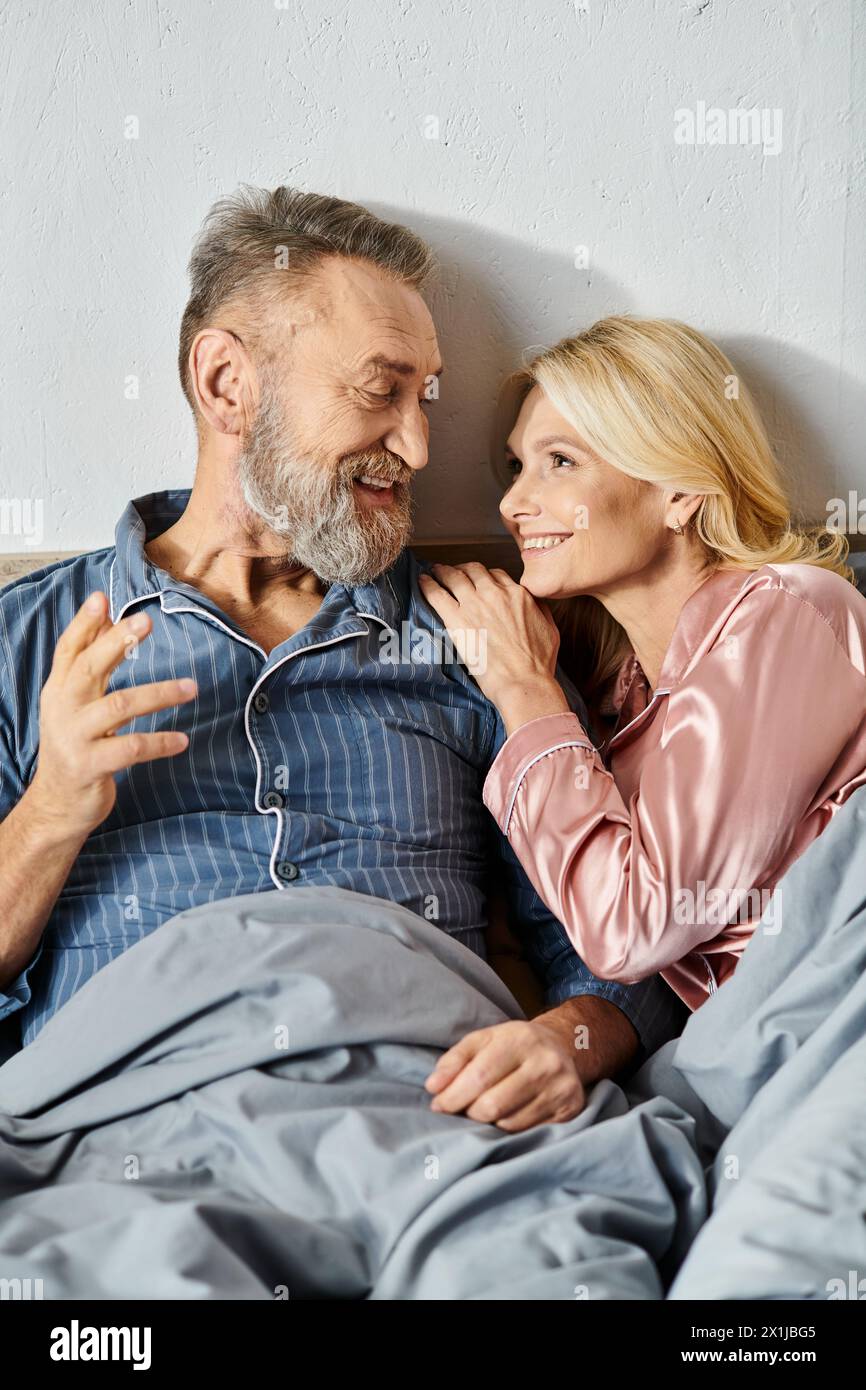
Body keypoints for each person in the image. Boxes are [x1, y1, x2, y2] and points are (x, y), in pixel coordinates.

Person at [0, 189, 685, 1132]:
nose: (417, 444)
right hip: (126, 1129)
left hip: (423, 1125)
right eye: (380, 390)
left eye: (425, 398)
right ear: (226, 383)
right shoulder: (25, 640)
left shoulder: (479, 641)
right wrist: (48, 813)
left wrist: (563, 1039)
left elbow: (629, 948)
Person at [420, 316, 866, 1010]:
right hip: (750, 1047)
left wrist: (525, 689)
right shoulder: (616, 684)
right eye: (516, 467)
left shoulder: (788, 614)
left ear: (680, 493)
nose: (512, 504)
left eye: (559, 461)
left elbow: (630, 927)